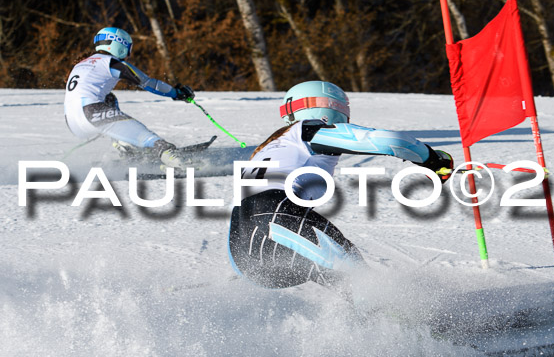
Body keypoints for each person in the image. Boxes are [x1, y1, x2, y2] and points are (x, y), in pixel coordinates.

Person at [228, 81, 454, 289]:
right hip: (275, 215)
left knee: (342, 281)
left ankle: (372, 326)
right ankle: (404, 322)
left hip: (244, 250)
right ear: (331, 107)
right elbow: (387, 142)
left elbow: (247, 211)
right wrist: (432, 159)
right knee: (354, 274)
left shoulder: (269, 148)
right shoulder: (308, 131)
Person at [64, 27, 195, 168]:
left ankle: (126, 147)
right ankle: (173, 158)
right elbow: (149, 83)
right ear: (119, 45)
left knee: (109, 98)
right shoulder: (111, 62)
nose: (128, 53)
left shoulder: (82, 63)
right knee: (149, 138)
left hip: (71, 121)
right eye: (128, 47)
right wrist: (176, 93)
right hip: (92, 112)